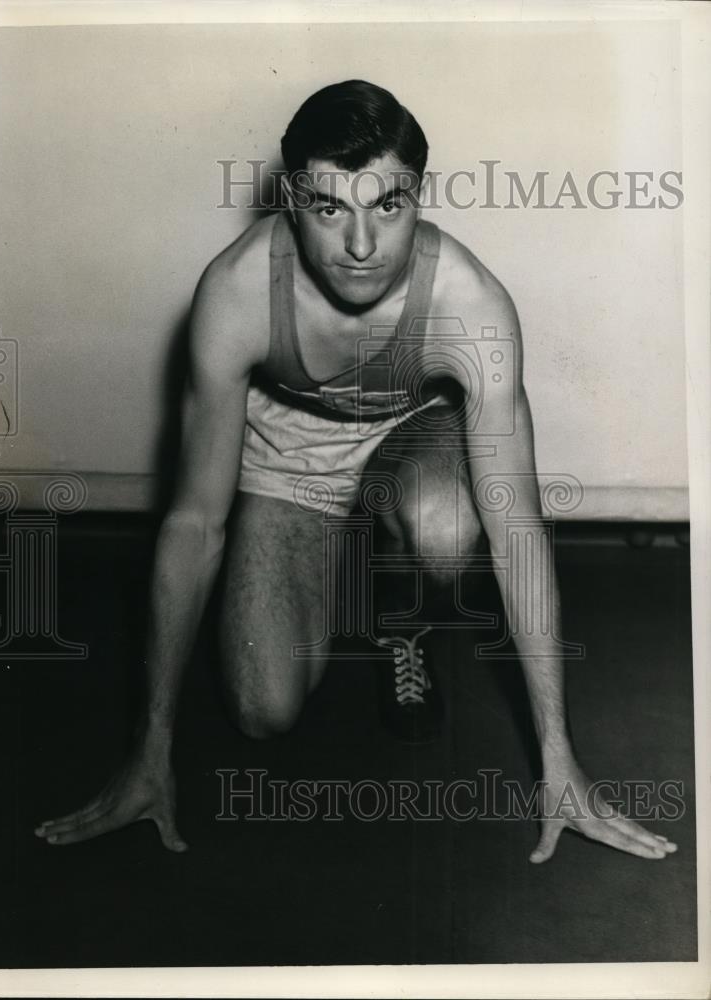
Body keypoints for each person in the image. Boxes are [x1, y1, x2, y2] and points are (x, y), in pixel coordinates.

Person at [35, 80, 677, 863]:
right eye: (330, 208)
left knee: (446, 527)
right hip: (288, 462)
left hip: (411, 440)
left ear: (419, 195)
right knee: (261, 712)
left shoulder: (467, 303)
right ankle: (343, 567)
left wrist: (559, 759)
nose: (362, 245)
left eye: (387, 205)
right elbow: (193, 522)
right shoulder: (236, 293)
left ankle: (397, 611)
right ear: (291, 201)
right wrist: (149, 746)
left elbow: (516, 528)